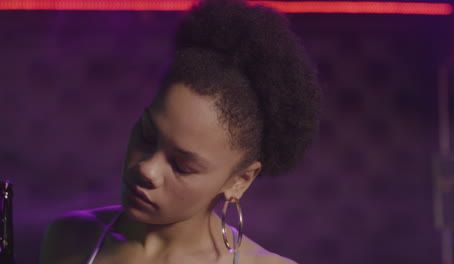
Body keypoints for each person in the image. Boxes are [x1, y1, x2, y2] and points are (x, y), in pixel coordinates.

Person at [39, 0, 321, 263]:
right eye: (148, 136)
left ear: (240, 180)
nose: (147, 169)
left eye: (182, 166)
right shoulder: (71, 238)